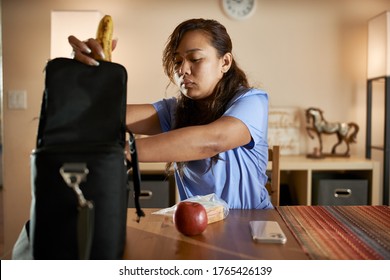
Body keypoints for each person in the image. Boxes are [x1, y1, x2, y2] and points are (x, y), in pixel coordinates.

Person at [68, 18, 272, 209]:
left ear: (225, 62)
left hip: (250, 227)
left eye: (195, 58)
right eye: (177, 61)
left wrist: (126, 152)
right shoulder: (175, 112)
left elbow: (213, 140)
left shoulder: (252, 101)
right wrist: (87, 74)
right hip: (201, 231)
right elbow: (100, 117)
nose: (182, 69)